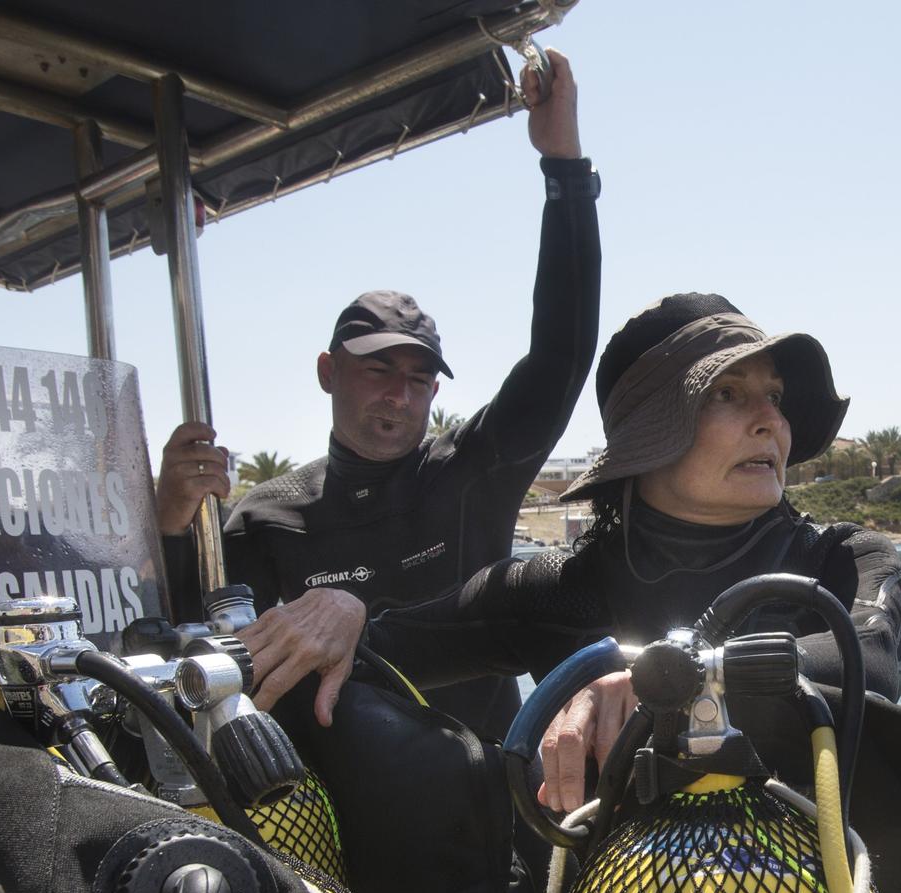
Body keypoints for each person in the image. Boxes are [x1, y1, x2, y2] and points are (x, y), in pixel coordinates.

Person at [288, 291, 901, 799]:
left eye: (775, 397)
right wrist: (349, 616)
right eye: (727, 393)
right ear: (648, 435)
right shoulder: (562, 586)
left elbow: (870, 660)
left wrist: (676, 679)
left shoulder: (842, 558)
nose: (771, 420)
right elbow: (386, 651)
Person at [153, 48, 600, 742]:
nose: (400, 395)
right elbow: (196, 641)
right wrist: (174, 524)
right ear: (328, 371)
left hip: (493, 794)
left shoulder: (470, 472)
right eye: (377, 371)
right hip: (348, 808)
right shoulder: (269, 517)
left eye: (420, 378)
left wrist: (564, 165)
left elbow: (561, 355)